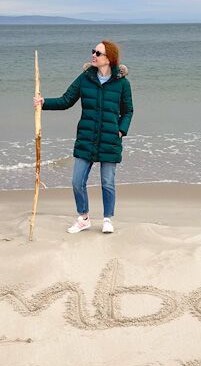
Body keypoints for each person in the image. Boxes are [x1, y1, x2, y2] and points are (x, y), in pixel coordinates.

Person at [33, 40, 133, 234]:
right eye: (93, 51)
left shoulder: (122, 84)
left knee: (107, 182)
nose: (93, 55)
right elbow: (66, 100)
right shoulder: (85, 78)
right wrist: (43, 102)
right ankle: (84, 218)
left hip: (110, 139)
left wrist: (121, 130)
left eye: (98, 53)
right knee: (77, 181)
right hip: (86, 138)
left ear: (109, 59)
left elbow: (128, 110)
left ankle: (107, 219)